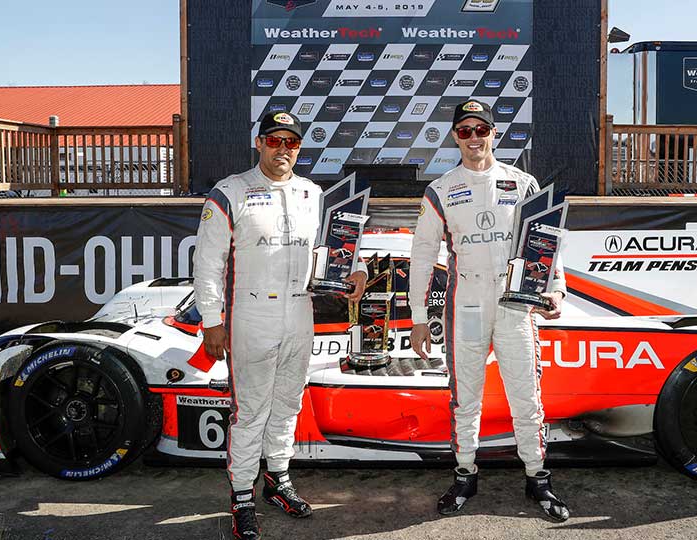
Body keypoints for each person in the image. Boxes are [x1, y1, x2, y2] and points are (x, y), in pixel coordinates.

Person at [193, 111, 368, 540]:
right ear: (259, 144)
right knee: (251, 411)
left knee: (288, 404)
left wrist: (358, 267)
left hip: (300, 312)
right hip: (251, 314)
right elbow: (207, 264)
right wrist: (212, 321)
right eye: (274, 141)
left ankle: (278, 480)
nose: (282, 149)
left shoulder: (313, 193)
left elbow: (337, 245)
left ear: (299, 147)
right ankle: (241, 497)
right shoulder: (230, 191)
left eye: (290, 142)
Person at [408, 100, 570, 521]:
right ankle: (464, 474)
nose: (474, 138)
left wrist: (555, 288)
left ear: (493, 134)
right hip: (469, 305)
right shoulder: (440, 189)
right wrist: (419, 317)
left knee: (526, 395)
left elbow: (546, 238)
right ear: (455, 137)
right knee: (466, 398)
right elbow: (423, 254)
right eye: (465, 131)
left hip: (514, 303)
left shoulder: (522, 182)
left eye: (481, 129)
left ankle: (537, 477)